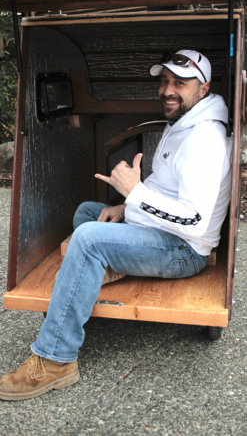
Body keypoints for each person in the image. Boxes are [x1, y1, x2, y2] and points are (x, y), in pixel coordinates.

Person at [0, 50, 232, 400]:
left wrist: (135, 193)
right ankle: (97, 272)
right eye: (165, 82)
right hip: (159, 231)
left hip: (183, 249)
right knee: (87, 213)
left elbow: (195, 223)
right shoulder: (183, 122)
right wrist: (126, 205)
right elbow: (164, 190)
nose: (168, 90)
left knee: (89, 239)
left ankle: (54, 360)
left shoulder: (205, 140)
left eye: (180, 83)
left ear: (203, 88)